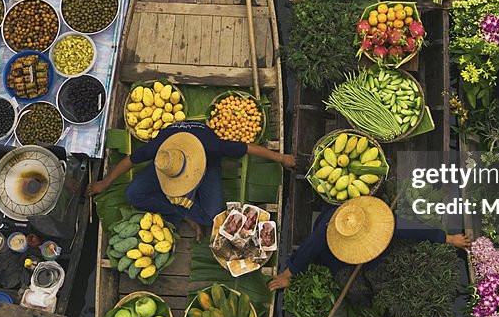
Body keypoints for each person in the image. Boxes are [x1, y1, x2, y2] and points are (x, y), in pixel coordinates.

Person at [86, 120, 295, 240]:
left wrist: (281, 158)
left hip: (206, 162)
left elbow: (247, 148)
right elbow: (130, 160)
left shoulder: (212, 147)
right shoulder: (159, 149)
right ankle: (184, 213)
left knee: (211, 216)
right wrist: (106, 182)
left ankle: (182, 208)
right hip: (169, 162)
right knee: (133, 194)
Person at [267, 195, 471, 291]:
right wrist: (287, 274)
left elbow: (414, 229)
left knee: (379, 270)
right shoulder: (326, 232)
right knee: (352, 286)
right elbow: (306, 251)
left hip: (373, 253)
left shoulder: (383, 224)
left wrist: (449, 239)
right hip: (334, 256)